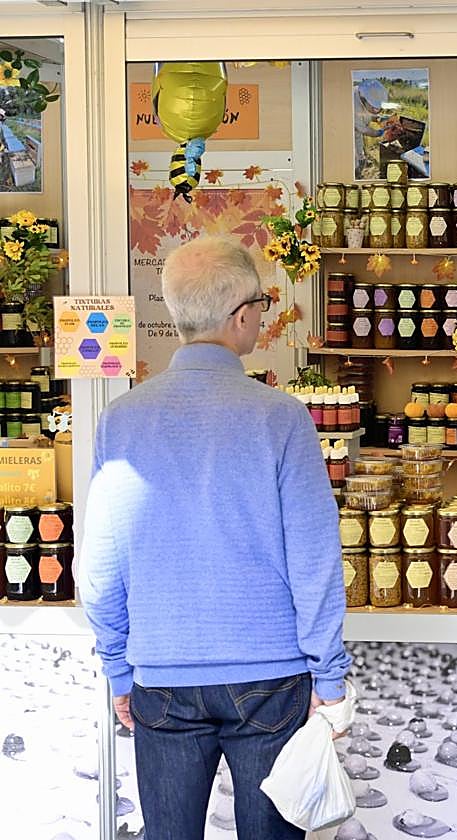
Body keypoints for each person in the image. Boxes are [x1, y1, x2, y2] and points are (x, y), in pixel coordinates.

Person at [79, 237, 351, 840]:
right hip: (271, 678)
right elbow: (314, 560)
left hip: (162, 675)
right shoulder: (280, 417)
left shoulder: (121, 419)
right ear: (242, 316)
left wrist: (118, 667)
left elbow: (97, 567)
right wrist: (329, 678)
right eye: (260, 302)